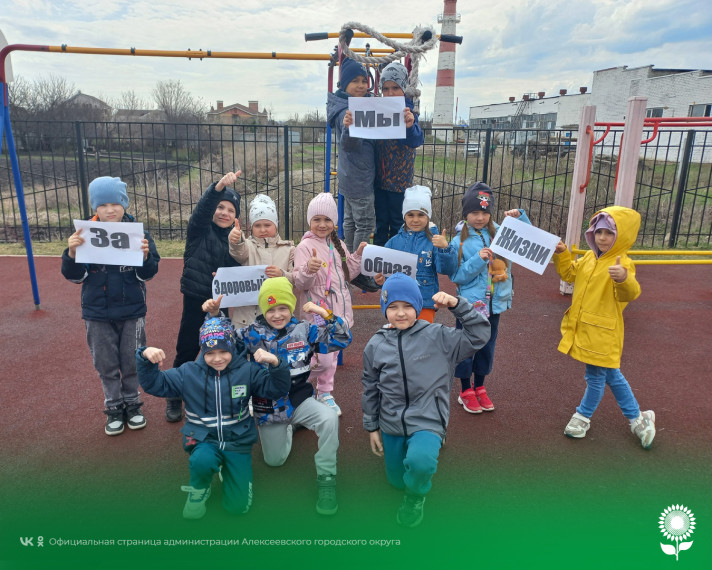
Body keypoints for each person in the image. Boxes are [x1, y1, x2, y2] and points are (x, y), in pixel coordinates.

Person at [206, 277, 351, 515]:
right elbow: (223, 340)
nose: (277, 314)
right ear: (263, 309)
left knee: (328, 418)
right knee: (275, 461)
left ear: (292, 306)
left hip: (299, 399)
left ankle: (327, 477)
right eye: (270, 309)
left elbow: (342, 339)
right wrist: (214, 316)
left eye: (283, 307)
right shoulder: (252, 334)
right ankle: (290, 427)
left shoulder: (304, 330)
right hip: (269, 406)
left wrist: (324, 313)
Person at [362, 273, 490, 527]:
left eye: (408, 306)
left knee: (420, 465)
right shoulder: (375, 345)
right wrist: (372, 426)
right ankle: (412, 461)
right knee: (396, 481)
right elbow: (370, 387)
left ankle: (416, 496)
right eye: (393, 307)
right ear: (384, 309)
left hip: (427, 417)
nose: (401, 313)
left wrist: (457, 305)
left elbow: (479, 335)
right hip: (391, 421)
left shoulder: (439, 337)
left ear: (418, 307)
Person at [136, 317, 291, 519]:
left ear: (232, 347)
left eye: (223, 351)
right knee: (202, 460)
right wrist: (145, 358)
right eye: (210, 353)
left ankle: (229, 471)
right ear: (202, 351)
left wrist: (277, 364)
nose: (217, 358)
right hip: (203, 439)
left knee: (238, 508)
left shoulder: (247, 370)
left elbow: (277, 389)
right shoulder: (188, 373)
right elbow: (155, 384)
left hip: (237, 442)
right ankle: (200, 489)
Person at [61, 176, 160, 436]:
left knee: (132, 360)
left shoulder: (139, 235)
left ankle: (133, 404)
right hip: (97, 312)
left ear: (124, 204)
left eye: (115, 203)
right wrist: (71, 254)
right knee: (105, 362)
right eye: (102, 204)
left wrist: (146, 256)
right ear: (95, 207)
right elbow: (74, 276)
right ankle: (114, 407)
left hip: (132, 311)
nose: (110, 209)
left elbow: (149, 274)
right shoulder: (83, 235)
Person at [553, 206, 656, 448]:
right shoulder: (590, 257)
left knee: (596, 377)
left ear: (621, 236)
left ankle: (582, 416)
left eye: (609, 233)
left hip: (602, 332)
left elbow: (630, 293)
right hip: (587, 328)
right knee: (611, 375)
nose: (602, 237)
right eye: (598, 231)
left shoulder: (623, 263)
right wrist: (562, 253)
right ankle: (638, 419)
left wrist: (623, 278)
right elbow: (569, 274)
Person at [449, 182, 531, 414]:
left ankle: (480, 387)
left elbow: (529, 242)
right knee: (467, 347)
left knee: (487, 346)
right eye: (474, 212)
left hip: (494, 304)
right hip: (469, 305)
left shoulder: (502, 234)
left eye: (485, 212)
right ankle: (465, 390)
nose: (480, 217)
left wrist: (520, 217)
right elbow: (456, 275)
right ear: (466, 214)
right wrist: (479, 259)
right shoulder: (459, 242)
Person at [170, 171, 242, 422]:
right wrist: (219, 187)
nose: (224, 213)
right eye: (220, 207)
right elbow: (202, 211)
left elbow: (238, 269)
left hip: (220, 303)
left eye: (230, 210)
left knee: (218, 348)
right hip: (195, 296)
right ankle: (174, 394)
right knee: (188, 346)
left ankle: (212, 393)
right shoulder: (199, 229)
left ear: (236, 217)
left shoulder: (235, 240)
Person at [293, 192, 366, 416]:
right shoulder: (304, 247)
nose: (322, 224)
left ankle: (324, 392)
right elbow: (300, 281)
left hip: (338, 311)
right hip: (317, 312)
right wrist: (309, 270)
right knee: (321, 360)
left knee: (331, 356)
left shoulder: (337, 244)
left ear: (334, 223)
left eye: (327, 220)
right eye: (317, 219)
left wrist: (357, 257)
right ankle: (294, 381)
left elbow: (347, 275)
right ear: (309, 221)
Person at [326, 57, 379, 292]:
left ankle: (346, 261)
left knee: (349, 220)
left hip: (351, 174)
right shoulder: (344, 110)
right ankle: (357, 270)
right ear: (343, 85)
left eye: (364, 81)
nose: (360, 85)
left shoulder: (357, 104)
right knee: (365, 222)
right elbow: (348, 144)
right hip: (358, 176)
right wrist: (349, 127)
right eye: (354, 81)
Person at [373, 185, 457, 323]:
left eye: (421, 215)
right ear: (404, 216)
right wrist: (378, 281)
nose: (416, 220)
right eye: (410, 215)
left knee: (423, 339)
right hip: (398, 302)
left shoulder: (434, 241)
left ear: (428, 216)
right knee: (400, 340)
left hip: (425, 302)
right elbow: (380, 271)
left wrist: (445, 249)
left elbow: (447, 269)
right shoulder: (394, 242)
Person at [373, 62, 425, 247]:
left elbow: (416, 140)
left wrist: (410, 126)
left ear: (404, 88)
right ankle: (378, 270)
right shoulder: (376, 109)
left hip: (400, 183)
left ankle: (397, 266)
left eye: (395, 88)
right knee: (380, 225)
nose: (390, 93)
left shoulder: (409, 112)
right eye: (386, 89)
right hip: (379, 181)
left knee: (397, 225)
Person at [227, 194, 295, 328]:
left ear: (276, 225)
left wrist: (282, 274)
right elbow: (239, 253)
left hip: (277, 319)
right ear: (251, 227)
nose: (263, 230)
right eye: (257, 225)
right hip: (246, 319)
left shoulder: (289, 249)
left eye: (267, 224)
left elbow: (296, 279)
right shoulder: (247, 246)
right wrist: (236, 240)